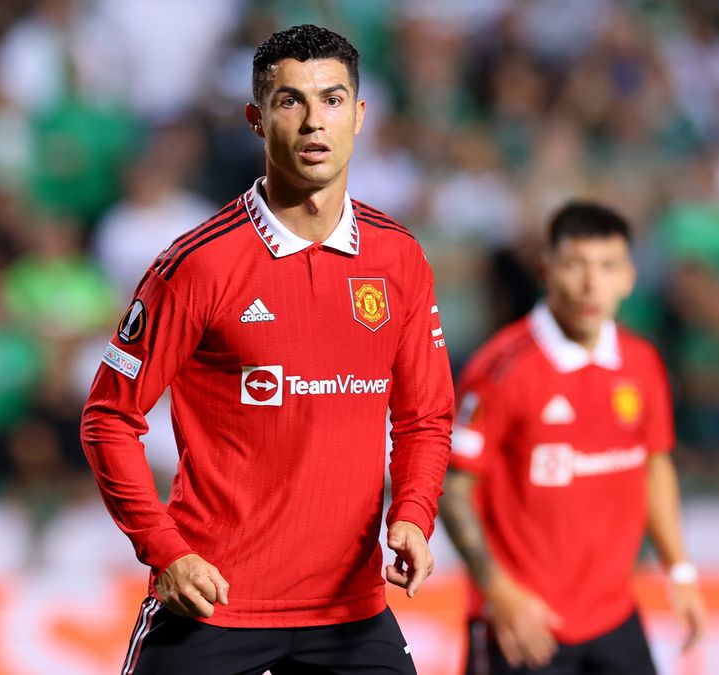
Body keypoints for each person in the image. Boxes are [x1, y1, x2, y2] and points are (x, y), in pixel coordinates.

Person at [81, 24, 453, 674]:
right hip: (214, 605)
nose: (315, 122)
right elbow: (108, 417)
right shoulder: (198, 265)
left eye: (333, 100)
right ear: (256, 118)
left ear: (360, 115)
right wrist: (165, 550)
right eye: (291, 101)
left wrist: (415, 513)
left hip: (351, 616)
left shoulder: (398, 258)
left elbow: (424, 415)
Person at [440, 203, 707, 674]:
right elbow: (453, 488)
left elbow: (654, 465)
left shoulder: (642, 363)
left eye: (607, 268)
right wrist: (499, 594)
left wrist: (679, 570)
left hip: (614, 616)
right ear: (546, 271)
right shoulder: (501, 369)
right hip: (524, 622)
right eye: (575, 265)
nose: (591, 285)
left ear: (628, 277)